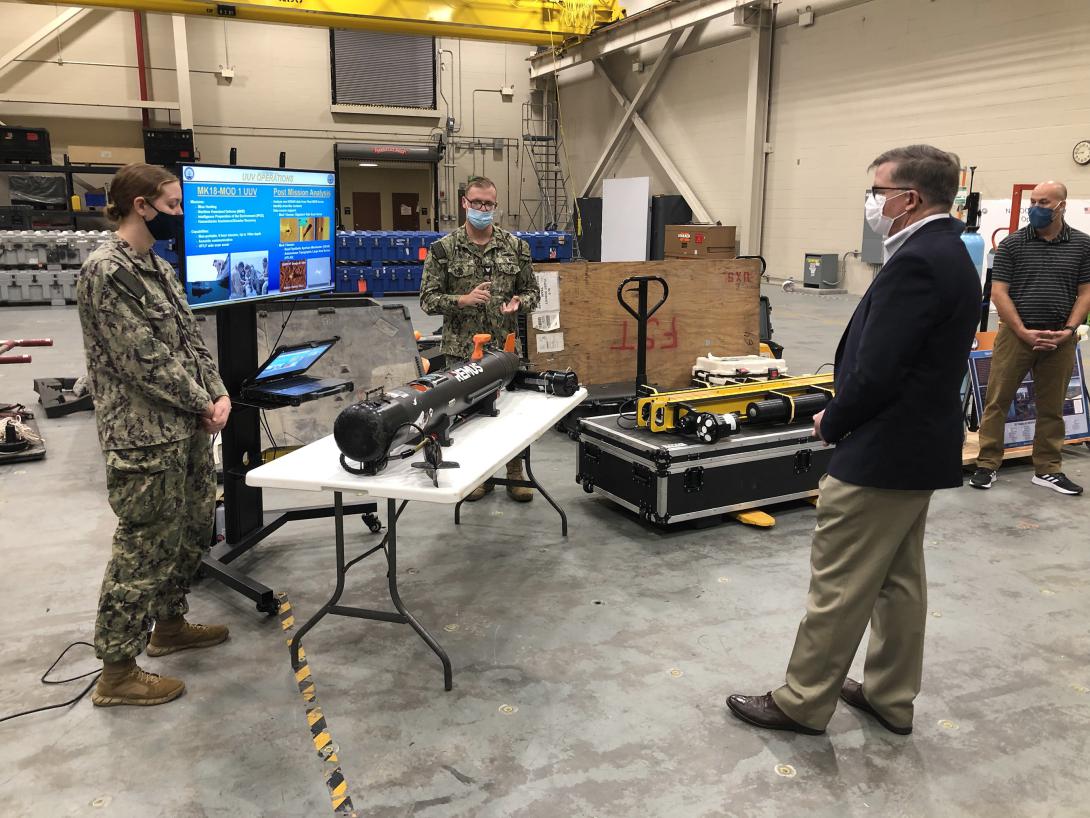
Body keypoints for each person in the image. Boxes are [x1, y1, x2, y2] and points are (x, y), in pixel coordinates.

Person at [726, 145, 980, 736]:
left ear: (909, 198)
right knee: (898, 581)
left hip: (881, 453)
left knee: (839, 582)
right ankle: (892, 696)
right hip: (919, 450)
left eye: (878, 192)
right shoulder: (951, 252)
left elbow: (879, 369)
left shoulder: (918, 260)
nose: (872, 203)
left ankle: (802, 700)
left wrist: (833, 420)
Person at [77, 163, 232, 707]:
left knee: (189, 531)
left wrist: (217, 392)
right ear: (141, 205)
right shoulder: (107, 270)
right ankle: (117, 671)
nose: (180, 214)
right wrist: (201, 401)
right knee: (143, 546)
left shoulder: (156, 267)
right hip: (143, 438)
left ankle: (168, 625)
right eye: (172, 205)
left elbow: (189, 340)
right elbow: (141, 358)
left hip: (185, 428)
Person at [419, 176, 541, 502]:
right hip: (463, 352)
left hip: (506, 348)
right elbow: (427, 300)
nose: (483, 209)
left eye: (488, 204)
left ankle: (516, 471)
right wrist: (461, 300)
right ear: (465, 203)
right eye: (476, 203)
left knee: (513, 414)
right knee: (469, 416)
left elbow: (532, 293)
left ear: (495, 205)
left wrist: (520, 303)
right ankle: (479, 476)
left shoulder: (516, 247)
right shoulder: (443, 250)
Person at [970, 181, 1090, 495]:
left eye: (1044, 202)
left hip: (1060, 338)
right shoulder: (1012, 245)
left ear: (1062, 205)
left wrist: (1068, 330)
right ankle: (987, 464)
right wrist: (1022, 330)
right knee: (998, 400)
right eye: (1033, 201)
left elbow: (1086, 293)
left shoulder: (1083, 245)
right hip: (1015, 336)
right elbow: (999, 293)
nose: (1036, 208)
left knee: (1052, 406)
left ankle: (1048, 469)